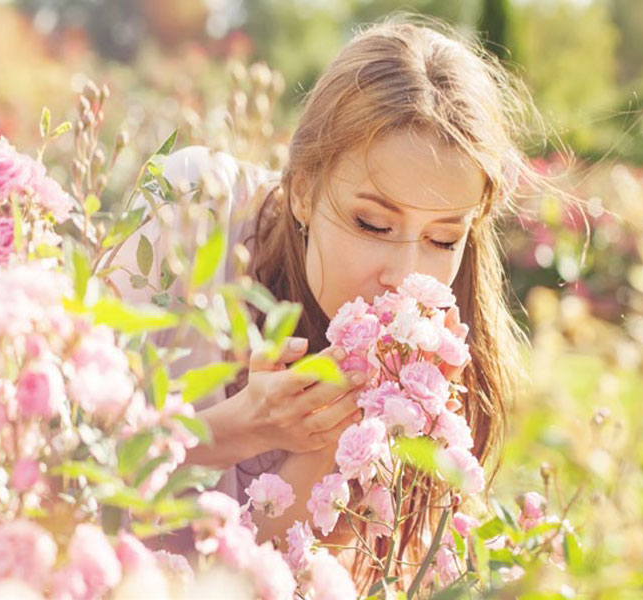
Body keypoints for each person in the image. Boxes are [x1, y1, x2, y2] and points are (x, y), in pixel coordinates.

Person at [112, 17, 534, 586]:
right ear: (304, 191)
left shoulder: (431, 372)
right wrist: (240, 427)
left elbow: (250, 576)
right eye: (372, 224)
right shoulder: (193, 208)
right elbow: (59, 470)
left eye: (442, 239)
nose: (405, 276)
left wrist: (334, 444)